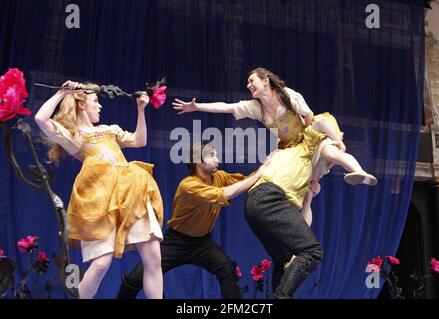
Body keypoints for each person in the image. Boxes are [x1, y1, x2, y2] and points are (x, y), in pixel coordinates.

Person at [34, 80, 164, 299]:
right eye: (96, 101)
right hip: (101, 198)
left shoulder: (108, 130)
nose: (100, 106)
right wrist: (62, 93)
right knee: (102, 263)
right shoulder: (75, 138)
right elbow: (40, 119)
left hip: (131, 192)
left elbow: (140, 141)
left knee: (154, 258)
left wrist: (141, 110)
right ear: (82, 104)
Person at [116, 140, 272, 299]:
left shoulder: (219, 177)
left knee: (226, 269)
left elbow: (247, 182)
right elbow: (225, 194)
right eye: (212, 155)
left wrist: (266, 167)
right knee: (136, 278)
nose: (217, 160)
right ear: (198, 160)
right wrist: (260, 172)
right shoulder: (188, 186)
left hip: (202, 243)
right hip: (177, 241)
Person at [173, 67, 377, 187]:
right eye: (247, 83)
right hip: (289, 147)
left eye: (251, 81)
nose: (248, 85)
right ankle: (299, 250)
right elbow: (226, 107)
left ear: (265, 81)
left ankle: (360, 172)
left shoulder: (287, 95)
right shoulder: (255, 108)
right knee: (304, 193)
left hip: (307, 135)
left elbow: (309, 116)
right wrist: (196, 106)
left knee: (331, 152)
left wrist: (313, 142)